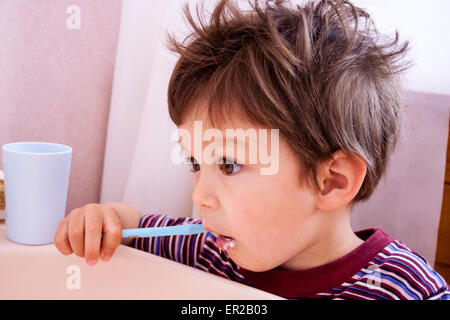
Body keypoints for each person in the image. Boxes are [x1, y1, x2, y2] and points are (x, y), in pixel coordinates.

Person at [54, 0, 450, 299]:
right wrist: (102, 221)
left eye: (228, 165)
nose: (200, 198)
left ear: (331, 181)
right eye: (195, 162)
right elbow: (131, 227)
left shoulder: (405, 290)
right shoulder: (209, 251)